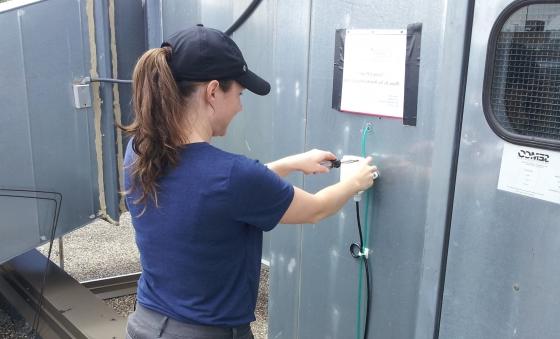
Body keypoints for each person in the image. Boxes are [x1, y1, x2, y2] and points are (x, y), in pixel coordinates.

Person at [123, 25, 377, 339]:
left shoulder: (140, 151)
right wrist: (357, 180)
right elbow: (315, 209)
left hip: (147, 324)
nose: (241, 107)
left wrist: (288, 164)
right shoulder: (232, 176)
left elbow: (211, 191)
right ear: (212, 91)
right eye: (239, 95)